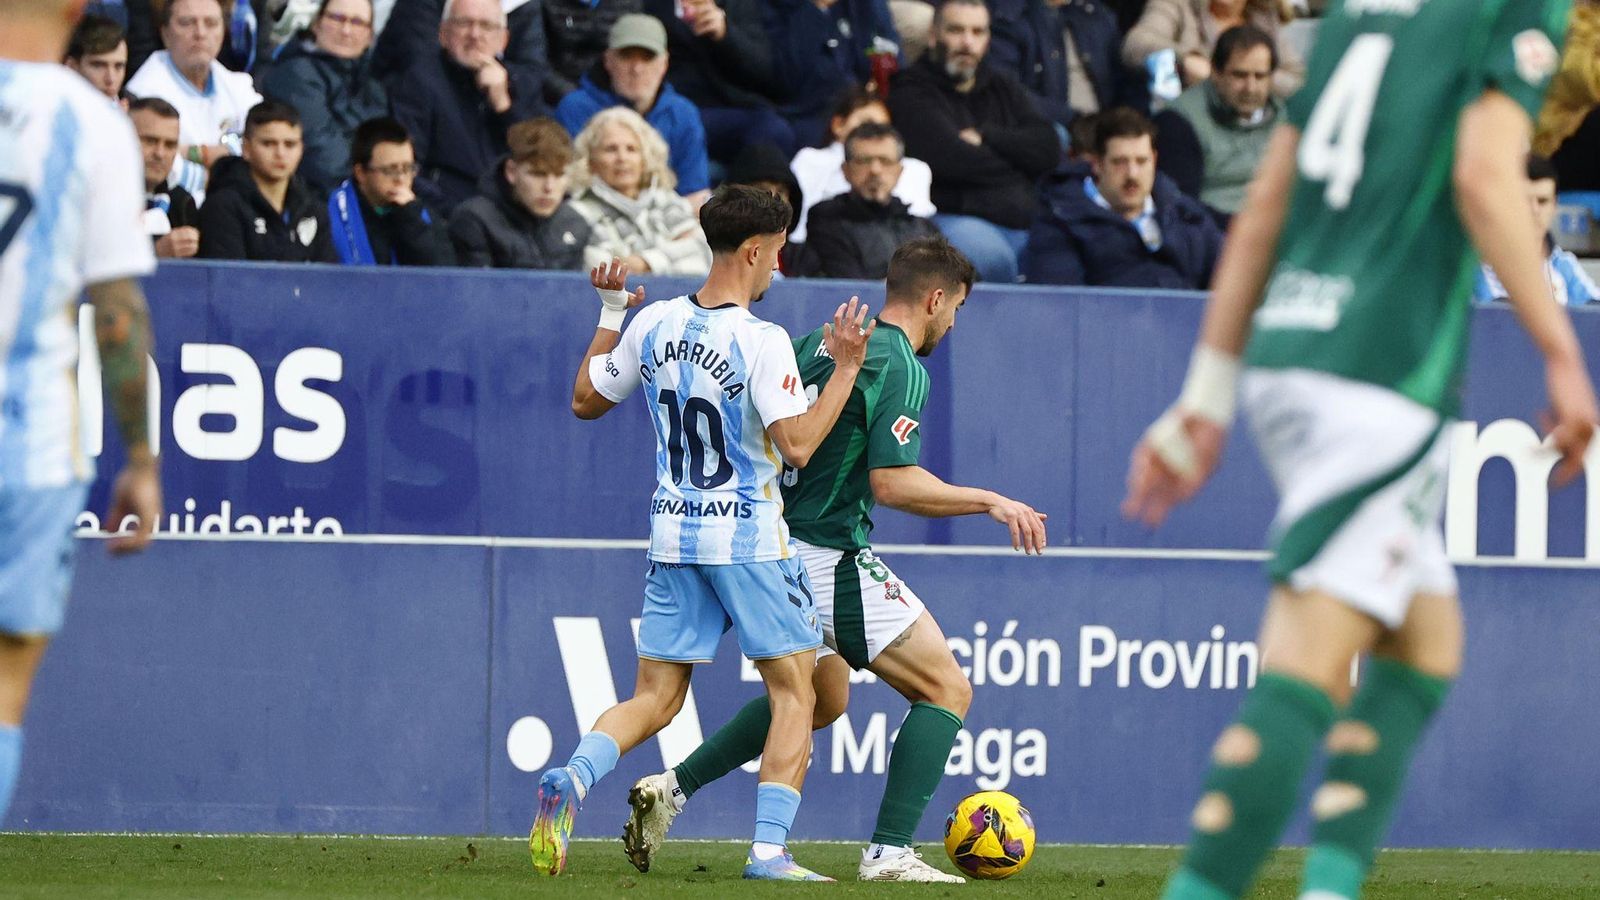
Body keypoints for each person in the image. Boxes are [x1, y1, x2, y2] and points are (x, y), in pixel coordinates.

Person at [1122, 4, 1597, 900]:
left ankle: (1331, 887)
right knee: (1308, 657)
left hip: (1295, 350)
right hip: (1378, 370)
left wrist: (1207, 398)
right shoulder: (1508, 11)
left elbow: (1265, 206)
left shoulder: (1353, 21)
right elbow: (1486, 176)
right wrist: (1564, 355)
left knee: (1424, 646)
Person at [622, 237, 1047, 883]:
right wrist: (988, 500)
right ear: (936, 298)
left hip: (766, 541)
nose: (953, 323)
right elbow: (892, 482)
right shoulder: (899, 362)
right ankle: (889, 851)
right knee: (946, 688)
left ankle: (672, 789)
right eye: (956, 308)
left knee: (821, 697)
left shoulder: (818, 343)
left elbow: (766, 429)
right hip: (823, 553)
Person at [532, 185, 877, 880]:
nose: (778, 267)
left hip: (674, 535)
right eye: (778, 253)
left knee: (654, 700)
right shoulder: (761, 339)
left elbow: (585, 399)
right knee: (795, 693)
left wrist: (608, 314)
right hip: (749, 540)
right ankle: (769, 852)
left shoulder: (653, 321)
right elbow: (801, 444)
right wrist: (843, 370)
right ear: (754, 250)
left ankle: (570, 779)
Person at [0, 0, 162, 823]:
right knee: (5, 682)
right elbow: (117, 310)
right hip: (28, 444)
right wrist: (140, 459)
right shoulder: (95, 125)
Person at [889, 0, 1059, 284]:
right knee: (994, 260)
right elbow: (952, 160)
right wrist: (1021, 165)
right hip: (951, 216)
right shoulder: (911, 90)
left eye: (977, 32)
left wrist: (988, 137)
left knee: (1061, 258)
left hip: (1022, 216)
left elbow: (1049, 147)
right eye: (956, 30)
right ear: (933, 35)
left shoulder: (1001, 85)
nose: (967, 43)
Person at [1024, 106, 1222, 287]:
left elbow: (1228, 291)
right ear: (1098, 164)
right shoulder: (1060, 222)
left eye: (1141, 161)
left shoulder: (1187, 217)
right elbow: (1058, 308)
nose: (1132, 174)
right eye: (1120, 162)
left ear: (1154, 160)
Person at [389, 0, 548, 212]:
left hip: (510, 217)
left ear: (503, 40)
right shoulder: (419, 81)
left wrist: (503, 106)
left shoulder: (520, 86)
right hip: (445, 214)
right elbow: (408, 167)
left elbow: (541, 162)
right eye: (464, 23)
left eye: (486, 26)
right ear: (443, 33)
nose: (474, 35)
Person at [556, 14, 711, 201]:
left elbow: (695, 193)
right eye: (626, 56)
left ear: (664, 64)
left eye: (647, 58)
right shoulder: (575, 108)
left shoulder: (683, 113)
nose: (636, 69)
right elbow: (571, 185)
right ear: (608, 60)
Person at [258, 0, 390, 196]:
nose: (346, 30)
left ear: (369, 37)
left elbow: (388, 153)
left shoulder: (373, 88)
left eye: (357, 22)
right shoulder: (295, 74)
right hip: (317, 201)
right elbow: (323, 160)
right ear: (316, 24)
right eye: (337, 18)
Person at [641, 0, 793, 164]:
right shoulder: (654, 6)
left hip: (732, 107)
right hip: (673, 107)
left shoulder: (738, 5)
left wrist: (725, 33)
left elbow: (764, 70)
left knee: (774, 130)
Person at [1155, 25, 1281, 222]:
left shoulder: (1284, 118)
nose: (1250, 87)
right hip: (1214, 236)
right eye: (1239, 75)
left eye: (1260, 76)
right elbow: (1181, 207)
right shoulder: (1179, 121)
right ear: (1215, 73)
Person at [124, 0, 263, 178]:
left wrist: (195, 153)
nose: (200, 33)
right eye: (187, 23)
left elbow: (267, 140)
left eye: (211, 23)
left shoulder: (237, 84)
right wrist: (226, 152)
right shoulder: (143, 92)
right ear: (165, 33)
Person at [568, 107, 713, 275]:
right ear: (590, 160)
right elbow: (603, 272)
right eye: (610, 149)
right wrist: (675, 255)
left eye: (631, 149)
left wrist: (646, 263)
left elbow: (705, 253)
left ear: (645, 159)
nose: (622, 158)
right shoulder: (577, 213)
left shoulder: (666, 200)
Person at [794, 123, 942, 279]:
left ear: (899, 172)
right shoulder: (826, 219)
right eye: (864, 161)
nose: (875, 170)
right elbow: (852, 288)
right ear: (845, 170)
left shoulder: (923, 228)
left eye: (885, 161)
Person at [790, 87, 936, 244]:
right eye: (867, 123)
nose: (875, 169)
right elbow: (797, 228)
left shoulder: (915, 169)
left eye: (883, 128)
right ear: (839, 125)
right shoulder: (811, 160)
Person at [198, 100, 338, 262]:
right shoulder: (223, 206)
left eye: (290, 144)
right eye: (268, 143)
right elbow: (228, 281)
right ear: (246, 148)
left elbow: (326, 279)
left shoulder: (314, 209)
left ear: (301, 149)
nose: (280, 153)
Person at [450, 117, 593, 269]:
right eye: (538, 174)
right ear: (511, 171)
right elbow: (474, 290)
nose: (549, 188)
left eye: (559, 175)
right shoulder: (475, 221)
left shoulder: (574, 223)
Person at [987, 0, 1147, 136]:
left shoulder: (1095, 14)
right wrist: (1074, 120)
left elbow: (1127, 81)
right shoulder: (1008, 16)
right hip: (1051, 130)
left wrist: (1127, 121)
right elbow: (1008, 92)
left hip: (1104, 132)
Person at [765, 0, 902, 147]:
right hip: (805, 112)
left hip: (862, 104)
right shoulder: (777, 6)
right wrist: (817, 8)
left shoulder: (866, 5)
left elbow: (890, 60)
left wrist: (868, 100)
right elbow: (787, 79)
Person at [327, 117, 454, 266]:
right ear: (360, 173)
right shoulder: (330, 215)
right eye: (390, 170)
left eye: (408, 169)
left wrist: (412, 221)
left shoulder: (423, 216)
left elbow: (443, 277)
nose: (401, 179)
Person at [1475, 154, 1598, 307]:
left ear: (1554, 205)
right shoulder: (1476, 269)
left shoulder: (1563, 264)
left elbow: (1595, 312)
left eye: (1542, 201)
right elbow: (1498, 320)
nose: (1534, 210)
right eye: (1524, 200)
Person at [1121, 0, 1302, 99]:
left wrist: (1246, 79)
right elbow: (1135, 44)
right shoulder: (1177, 5)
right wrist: (1186, 59)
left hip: (1250, 133)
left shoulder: (1263, 17)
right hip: (1185, 121)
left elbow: (1295, 80)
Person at [130, 97, 202, 258]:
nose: (160, 154)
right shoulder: (97, 197)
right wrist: (155, 252)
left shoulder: (182, 204)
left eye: (169, 145)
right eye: (150, 141)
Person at [64, 13, 129, 104]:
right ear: (72, 67)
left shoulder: (136, 110)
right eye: (98, 66)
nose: (111, 79)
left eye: (119, 66)